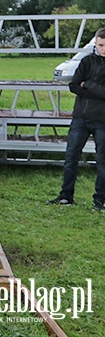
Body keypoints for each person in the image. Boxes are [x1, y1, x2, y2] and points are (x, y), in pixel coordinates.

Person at [47, 27, 105, 211]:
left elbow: (90, 88)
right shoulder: (87, 61)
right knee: (71, 156)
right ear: (95, 44)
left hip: (102, 121)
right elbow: (73, 86)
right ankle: (66, 196)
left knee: (102, 161)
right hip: (80, 117)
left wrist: (87, 84)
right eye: (101, 45)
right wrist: (94, 90)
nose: (104, 48)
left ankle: (100, 200)